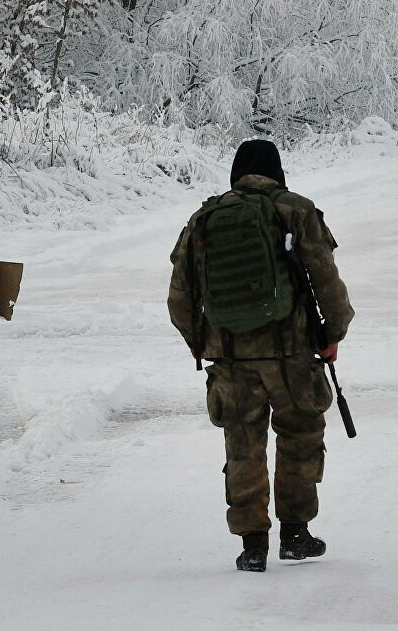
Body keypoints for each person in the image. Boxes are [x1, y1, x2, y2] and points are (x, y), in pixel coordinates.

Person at [169, 139, 355, 573]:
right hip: (290, 354)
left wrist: (203, 344)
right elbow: (326, 280)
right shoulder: (296, 210)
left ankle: (252, 545)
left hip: (230, 358)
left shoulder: (204, 218)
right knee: (300, 436)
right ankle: (295, 535)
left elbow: (180, 297)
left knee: (242, 444)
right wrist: (333, 333)